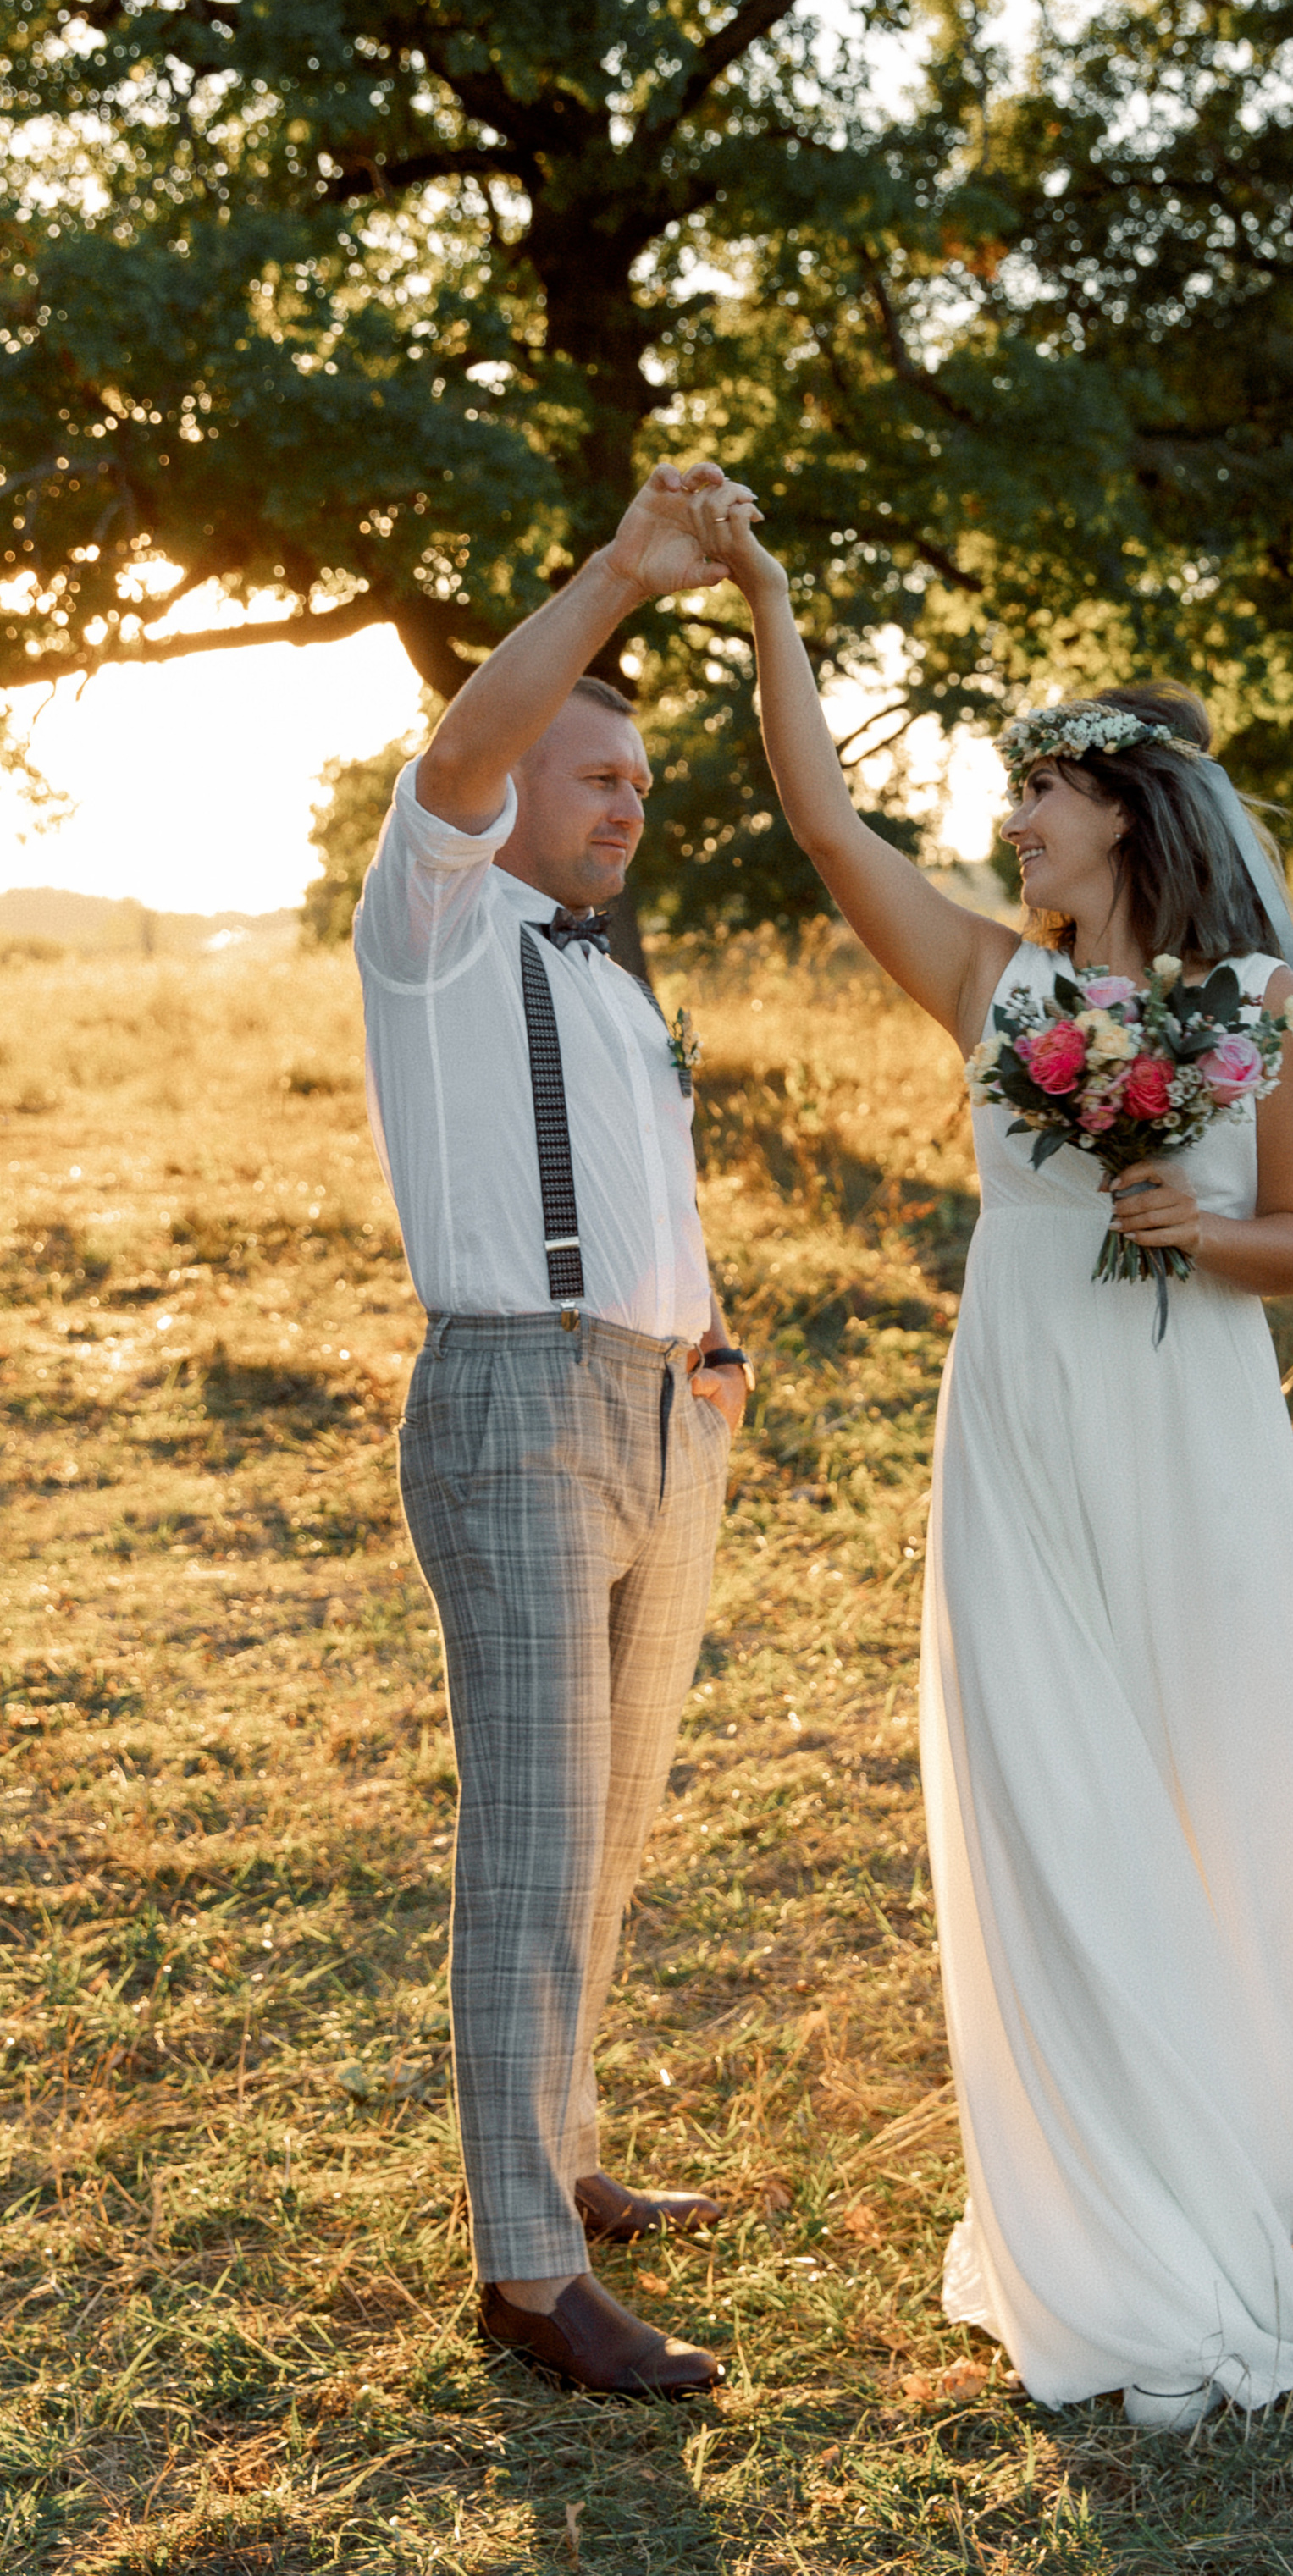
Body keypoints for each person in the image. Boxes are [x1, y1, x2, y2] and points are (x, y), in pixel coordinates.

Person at [699, 483, 1293, 2430]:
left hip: (1189, 1430)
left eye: (1038, 796)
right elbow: (828, 821)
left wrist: (1194, 1224)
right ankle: (1106, 2215)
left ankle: (1226, 2142)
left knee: (1202, 1774)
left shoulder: (1267, 1017)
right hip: (1017, 1416)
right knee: (1047, 1794)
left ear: (1126, 809)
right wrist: (766, 599)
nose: (1009, 824)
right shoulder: (993, 983)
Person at [354, 460, 755, 2398]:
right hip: (515, 1403)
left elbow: (641, 1196)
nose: (628, 807)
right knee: (530, 1836)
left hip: (660, 1417)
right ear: (514, 782)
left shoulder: (610, 980)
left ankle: (564, 2160)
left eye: (644, 788)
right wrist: (620, 575)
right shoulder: (434, 919)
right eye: (600, 776)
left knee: (607, 1828)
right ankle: (524, 2278)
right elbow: (468, 741)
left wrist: (715, 1348)